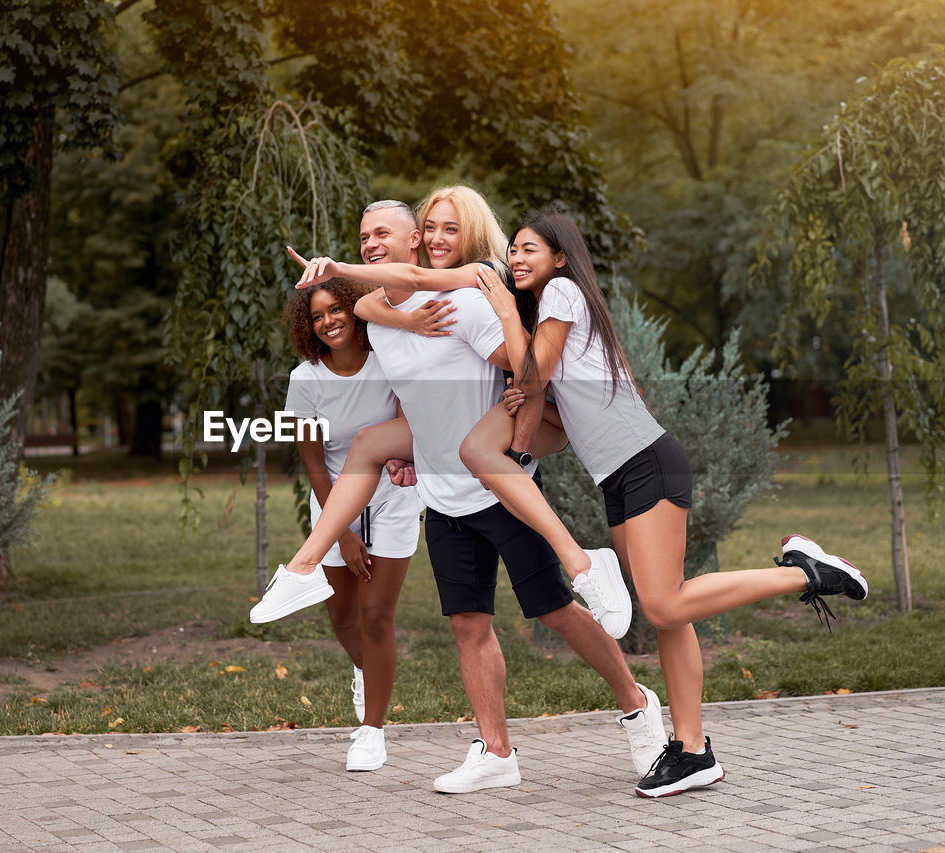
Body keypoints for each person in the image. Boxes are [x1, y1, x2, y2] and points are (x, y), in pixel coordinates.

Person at [254, 188, 669, 793]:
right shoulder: (377, 318)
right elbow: (383, 325)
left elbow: (527, 371)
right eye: (363, 238)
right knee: (468, 625)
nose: (372, 245)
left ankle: (636, 703)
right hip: (443, 499)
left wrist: (518, 384)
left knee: (555, 612)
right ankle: (496, 751)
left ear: (412, 243)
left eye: (385, 236)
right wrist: (414, 448)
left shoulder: (465, 304)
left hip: (500, 488)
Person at [446, 211, 868, 797]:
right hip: (621, 476)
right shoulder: (551, 311)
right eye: (512, 250)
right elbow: (538, 391)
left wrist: (502, 322)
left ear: (561, 257)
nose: (515, 259)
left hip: (647, 463)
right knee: (669, 609)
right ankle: (692, 751)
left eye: (528, 249)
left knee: (665, 606)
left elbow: (532, 369)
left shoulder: (564, 293)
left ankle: (803, 573)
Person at [275, 277, 426, 772]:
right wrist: (342, 531)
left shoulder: (387, 361)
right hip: (334, 498)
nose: (328, 322)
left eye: (336, 310)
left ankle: (372, 732)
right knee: (342, 617)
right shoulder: (306, 379)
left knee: (377, 615)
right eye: (317, 316)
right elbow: (314, 463)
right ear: (309, 326)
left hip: (393, 495)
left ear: (354, 311)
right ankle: (366, 670)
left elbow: (411, 424)